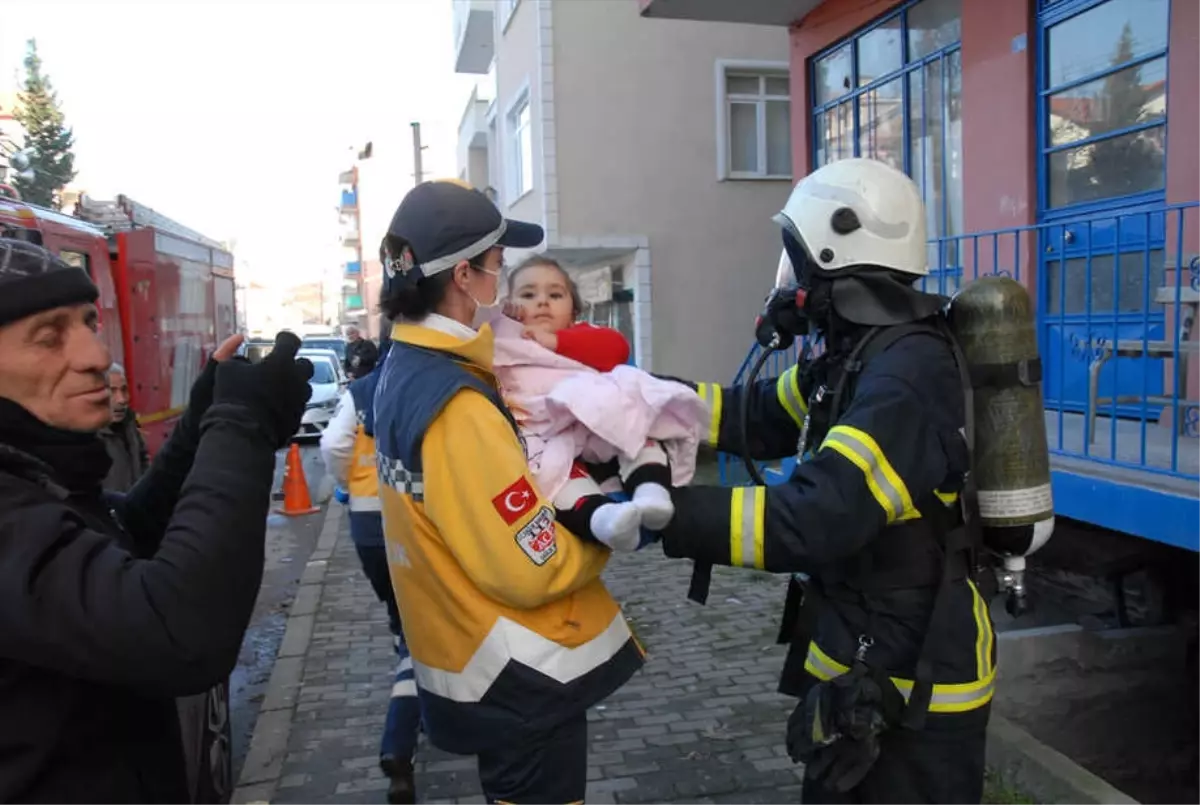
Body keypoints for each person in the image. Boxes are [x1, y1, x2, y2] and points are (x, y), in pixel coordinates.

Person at [654, 159, 995, 804]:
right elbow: (752, 415)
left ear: (837, 254)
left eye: (796, 259)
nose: (787, 281)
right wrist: (642, 398)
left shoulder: (907, 375)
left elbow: (817, 518)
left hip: (914, 686)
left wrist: (669, 514)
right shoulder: (855, 357)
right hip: (863, 653)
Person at [0, 237, 314, 805]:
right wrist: (240, 424)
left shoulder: (38, 478)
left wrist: (200, 421)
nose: (96, 354)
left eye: (89, 322)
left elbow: (131, 533)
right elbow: (177, 630)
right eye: (49, 337)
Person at [373, 179, 644, 805]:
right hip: (520, 678)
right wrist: (611, 533)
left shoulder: (406, 369)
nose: (504, 283)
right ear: (464, 276)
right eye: (498, 267)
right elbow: (531, 564)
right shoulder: (458, 404)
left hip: (473, 658)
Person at [494, 254, 704, 551]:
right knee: (555, 475)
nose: (542, 302)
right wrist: (504, 320)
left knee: (636, 427)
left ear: (573, 309)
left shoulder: (579, 336)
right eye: (528, 295)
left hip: (598, 420)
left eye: (555, 294)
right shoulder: (508, 339)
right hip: (551, 432)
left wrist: (554, 342)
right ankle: (604, 519)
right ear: (511, 306)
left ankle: (652, 494)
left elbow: (615, 348)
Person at [320, 331, 420, 805]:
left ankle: (412, 709)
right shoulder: (428, 387)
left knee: (406, 625)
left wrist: (349, 483)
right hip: (417, 525)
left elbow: (334, 446)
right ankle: (399, 743)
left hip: (367, 526)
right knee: (420, 634)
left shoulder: (358, 394)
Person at [99, 362, 149, 492]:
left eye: (124, 390)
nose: (121, 399)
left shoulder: (130, 425)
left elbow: (143, 461)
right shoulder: (86, 435)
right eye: (112, 391)